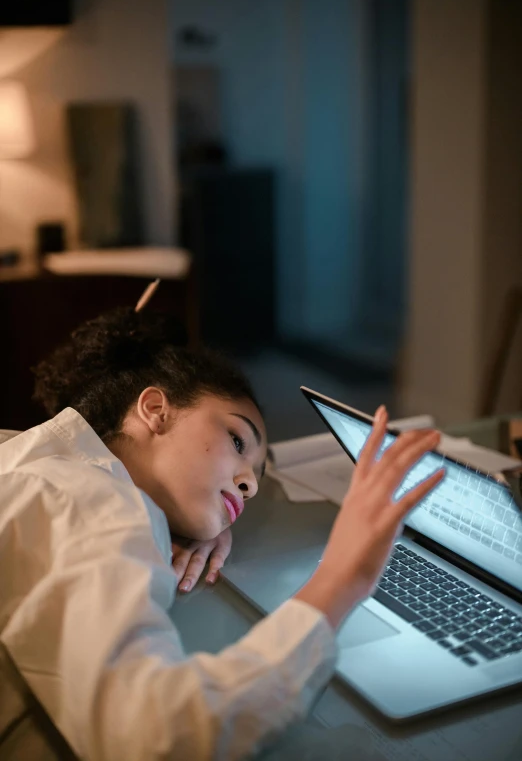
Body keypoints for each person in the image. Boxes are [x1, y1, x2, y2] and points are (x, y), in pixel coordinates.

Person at [0, 307, 443, 761]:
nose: (249, 483)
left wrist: (186, 513)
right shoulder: (86, 500)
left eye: (253, 480)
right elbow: (158, 739)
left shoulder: (36, 463)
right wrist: (343, 576)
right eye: (237, 441)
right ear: (155, 410)